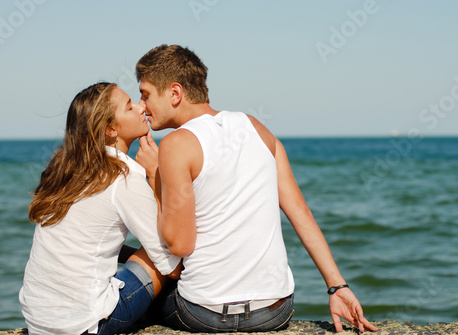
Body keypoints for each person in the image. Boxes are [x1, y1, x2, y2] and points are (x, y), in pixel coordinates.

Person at [134, 44, 378, 333]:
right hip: (274, 312)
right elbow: (300, 211)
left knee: (146, 285)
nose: (141, 106)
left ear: (175, 93)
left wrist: (154, 176)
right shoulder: (257, 128)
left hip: (204, 314)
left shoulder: (175, 145)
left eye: (145, 94)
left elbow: (179, 245)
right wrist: (337, 286)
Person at [19, 82, 181, 335]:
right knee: (165, 249)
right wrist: (155, 177)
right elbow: (169, 263)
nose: (141, 108)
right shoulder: (123, 176)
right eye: (129, 106)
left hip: (38, 321)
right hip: (85, 325)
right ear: (110, 129)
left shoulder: (69, 171)